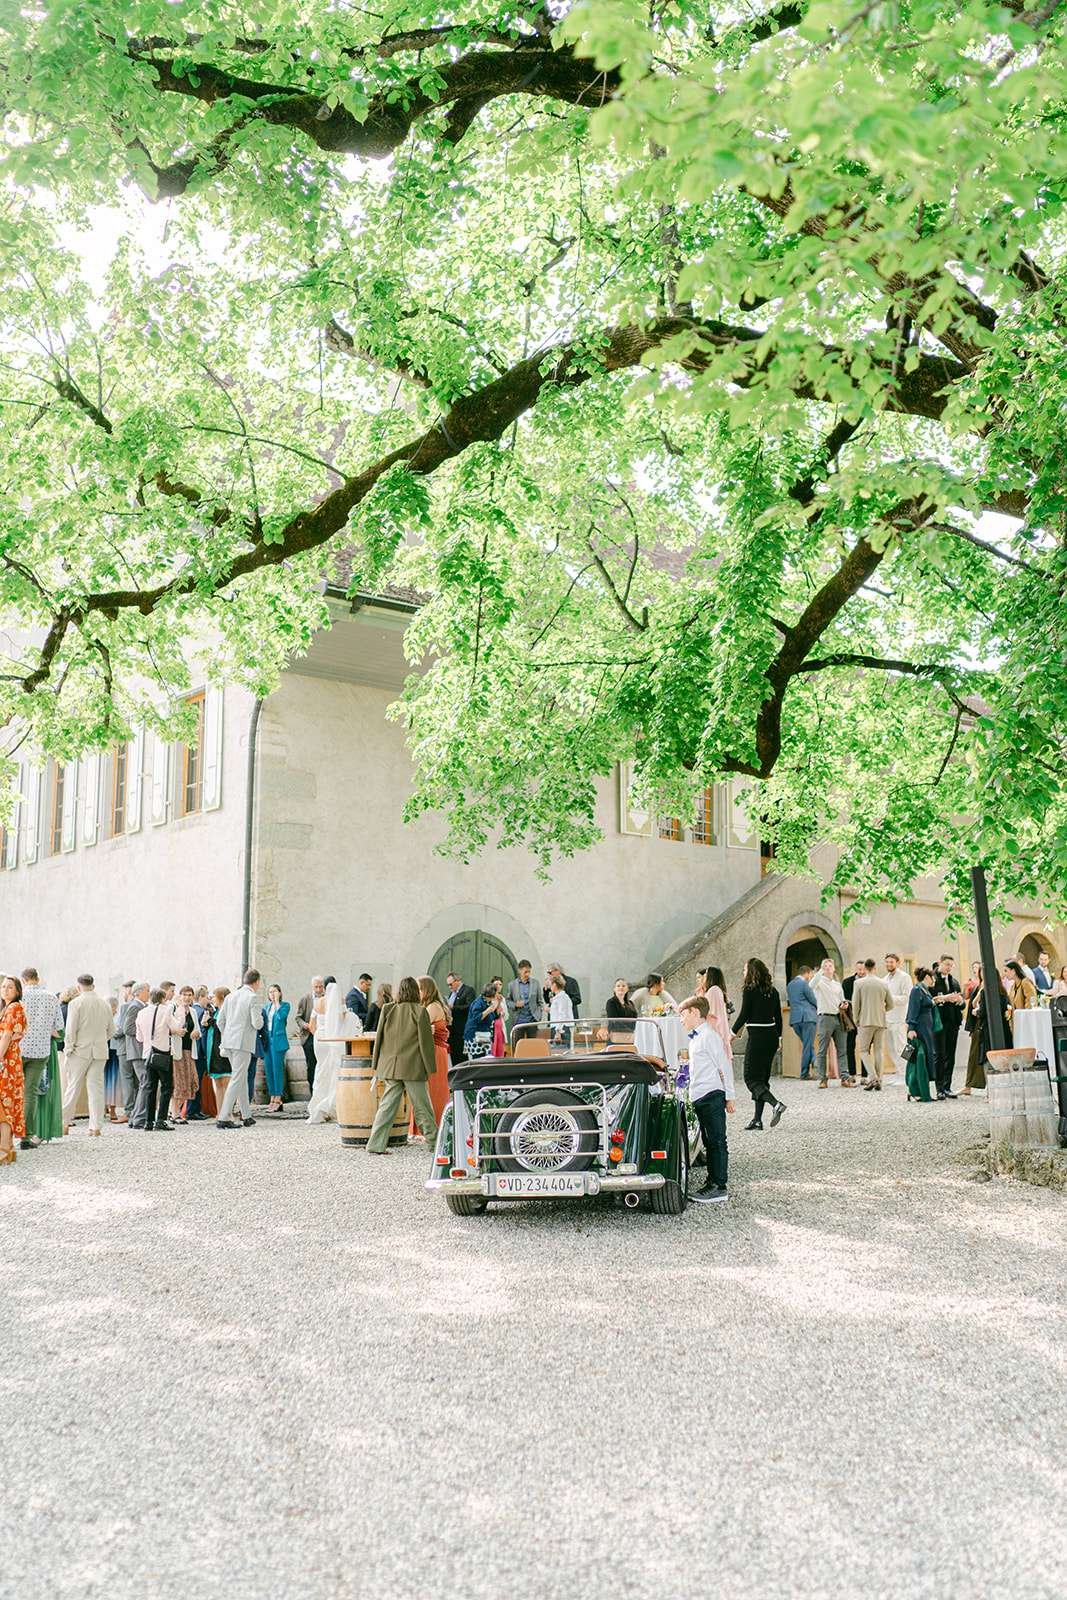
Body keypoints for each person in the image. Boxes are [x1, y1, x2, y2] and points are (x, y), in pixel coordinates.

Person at [365, 977, 438, 1153]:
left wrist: (376, 1063)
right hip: (413, 1068)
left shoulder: (388, 1009)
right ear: (415, 991)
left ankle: (375, 1144)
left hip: (390, 1066)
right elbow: (425, 1044)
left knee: (386, 1107)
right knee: (422, 1107)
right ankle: (435, 1144)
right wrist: (430, 1068)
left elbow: (379, 1037)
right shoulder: (420, 1012)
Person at [679, 993, 735, 1204]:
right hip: (700, 1095)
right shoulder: (696, 1038)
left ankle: (718, 1185)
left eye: (683, 1015)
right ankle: (712, 1181)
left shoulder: (709, 1037)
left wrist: (730, 1097)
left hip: (712, 1095)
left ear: (695, 1012)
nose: (681, 1020)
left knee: (717, 1141)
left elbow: (724, 1067)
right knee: (709, 1141)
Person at [732, 957, 785, 1129]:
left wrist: (731, 1033)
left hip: (758, 1037)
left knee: (750, 1078)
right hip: (771, 1037)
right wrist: (779, 1038)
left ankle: (776, 1104)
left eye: (745, 969)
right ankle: (757, 1120)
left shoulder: (750, 990)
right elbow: (778, 1017)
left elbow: (744, 1014)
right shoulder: (773, 991)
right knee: (762, 1079)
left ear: (752, 972)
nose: (743, 972)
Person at [61, 974, 116, 1138]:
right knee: (96, 1090)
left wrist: (68, 1049)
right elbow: (112, 1030)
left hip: (79, 1050)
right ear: (93, 985)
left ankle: (63, 1124)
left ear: (78, 987)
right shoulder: (105, 1004)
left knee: (72, 1088)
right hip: (99, 1051)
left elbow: (70, 1030)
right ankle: (95, 1127)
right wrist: (100, 1041)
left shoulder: (75, 1003)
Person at [18, 967, 64, 1148]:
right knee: (30, 1094)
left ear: (23, 980)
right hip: (40, 1052)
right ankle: (26, 1137)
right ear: (38, 978)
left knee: (11, 1092)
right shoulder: (52, 997)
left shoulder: (19, 997)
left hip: (18, 1049)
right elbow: (59, 1029)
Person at [215, 969, 264, 1129]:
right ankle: (224, 1117)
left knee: (240, 1077)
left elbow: (219, 1021)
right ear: (256, 982)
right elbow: (258, 1024)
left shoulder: (230, 996)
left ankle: (246, 1115)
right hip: (242, 1043)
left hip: (228, 1042)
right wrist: (262, 1018)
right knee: (237, 1078)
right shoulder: (253, 997)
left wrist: (226, 1035)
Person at [135, 988, 184, 1131]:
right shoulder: (165, 1010)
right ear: (163, 999)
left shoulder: (141, 1012)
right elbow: (176, 1026)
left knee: (150, 1088)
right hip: (162, 1053)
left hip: (147, 1054)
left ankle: (148, 1121)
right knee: (167, 1087)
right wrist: (180, 1012)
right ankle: (161, 1120)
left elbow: (139, 1037)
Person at [306, 981, 345, 1124]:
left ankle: (317, 1105)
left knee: (321, 1069)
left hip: (320, 1038)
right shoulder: (339, 1002)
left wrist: (319, 1034)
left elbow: (311, 1026)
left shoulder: (318, 1002)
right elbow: (344, 1022)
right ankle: (331, 1105)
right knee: (333, 1071)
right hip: (332, 1039)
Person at [851, 960, 891, 1090]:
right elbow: (891, 1004)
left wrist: (856, 1019)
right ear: (875, 967)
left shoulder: (859, 983)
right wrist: (882, 1010)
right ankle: (879, 1079)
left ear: (865, 968)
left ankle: (873, 1077)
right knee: (879, 1050)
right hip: (880, 1021)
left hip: (865, 1021)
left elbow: (855, 1004)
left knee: (863, 1050)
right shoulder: (883, 983)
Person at [0, 975, 27, 1164]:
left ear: (18, 991)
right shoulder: (9, 1008)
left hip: (6, 1061)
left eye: (10, 987)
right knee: (5, 1101)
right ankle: (7, 1148)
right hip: (10, 1060)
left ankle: (4, 1149)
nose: (5, 990)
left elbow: (7, 1036)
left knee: (4, 1103)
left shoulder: (14, 1007)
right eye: (3, 986)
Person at [813, 957, 852, 1088]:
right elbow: (811, 985)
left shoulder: (837, 984)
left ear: (834, 968)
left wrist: (845, 1004)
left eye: (830, 966)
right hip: (825, 1018)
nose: (828, 968)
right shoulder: (819, 982)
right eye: (825, 966)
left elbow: (842, 999)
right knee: (822, 1050)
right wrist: (819, 972)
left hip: (838, 1017)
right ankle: (822, 1079)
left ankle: (845, 1078)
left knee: (842, 1049)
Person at [419, 975, 452, 1122]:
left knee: (433, 1090)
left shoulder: (432, 1007)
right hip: (438, 1051)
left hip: (434, 1052)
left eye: (419, 989)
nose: (417, 992)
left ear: (426, 990)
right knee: (436, 1088)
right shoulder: (436, 1005)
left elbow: (419, 1027)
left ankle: (434, 1122)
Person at [931, 955, 964, 1098]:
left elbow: (962, 1004)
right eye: (946, 964)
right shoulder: (932, 981)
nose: (949, 967)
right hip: (939, 1023)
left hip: (953, 1022)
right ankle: (939, 1088)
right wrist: (945, 998)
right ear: (939, 963)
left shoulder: (954, 982)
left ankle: (947, 1086)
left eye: (951, 965)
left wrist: (960, 1001)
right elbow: (929, 1001)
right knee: (940, 1055)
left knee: (950, 1055)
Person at [905, 966, 938, 1102]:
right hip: (918, 1031)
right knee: (916, 1061)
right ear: (927, 977)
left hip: (926, 1030)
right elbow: (912, 1009)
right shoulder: (916, 990)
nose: (933, 980)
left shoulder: (925, 991)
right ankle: (914, 1090)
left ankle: (919, 1090)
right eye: (932, 977)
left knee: (921, 1061)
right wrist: (911, 1028)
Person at [170, 986, 202, 1124]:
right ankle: (174, 1114)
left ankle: (175, 1112)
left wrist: (196, 1033)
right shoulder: (174, 1009)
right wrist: (177, 1031)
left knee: (191, 1082)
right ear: (180, 996)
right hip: (178, 1051)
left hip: (190, 1050)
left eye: (189, 995)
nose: (187, 997)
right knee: (179, 1082)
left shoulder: (194, 1011)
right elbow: (169, 1028)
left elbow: (197, 1030)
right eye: (184, 995)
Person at [122, 981, 151, 1128]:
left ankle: (136, 1117)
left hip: (139, 1050)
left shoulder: (141, 1006)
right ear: (139, 992)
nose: (149, 993)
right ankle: (138, 1118)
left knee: (143, 1083)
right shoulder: (135, 1006)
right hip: (137, 1050)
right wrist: (145, 1034)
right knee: (145, 1082)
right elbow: (128, 1028)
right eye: (147, 991)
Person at [785, 964, 818, 1080]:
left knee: (807, 1045)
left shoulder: (790, 985)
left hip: (795, 1020)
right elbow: (813, 999)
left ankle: (814, 1061)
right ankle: (806, 1071)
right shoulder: (804, 984)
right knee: (807, 1045)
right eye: (810, 975)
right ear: (807, 973)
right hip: (807, 1018)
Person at [883, 954, 913, 1076]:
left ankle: (909, 1073)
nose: (889, 964)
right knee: (891, 1049)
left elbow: (907, 998)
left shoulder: (905, 977)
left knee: (902, 1047)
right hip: (887, 1018)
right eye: (887, 962)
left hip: (900, 1018)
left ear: (898, 963)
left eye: (891, 962)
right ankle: (900, 1073)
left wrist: (889, 998)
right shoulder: (884, 979)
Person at [262, 984, 290, 1113]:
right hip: (268, 1040)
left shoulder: (285, 1006)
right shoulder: (266, 1007)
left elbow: (281, 1018)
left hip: (278, 1041)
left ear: (279, 992)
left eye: (274, 991)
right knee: (269, 1070)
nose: (272, 994)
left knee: (277, 1070)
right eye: (270, 992)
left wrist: (277, 1002)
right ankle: (272, 1097)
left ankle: (278, 1098)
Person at [296, 977, 325, 1089]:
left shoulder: (326, 999)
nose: (318, 990)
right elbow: (298, 1018)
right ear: (312, 987)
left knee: (322, 1065)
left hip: (323, 1037)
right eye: (316, 987)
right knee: (311, 1065)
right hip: (309, 1038)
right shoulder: (305, 999)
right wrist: (306, 1025)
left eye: (320, 987)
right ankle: (312, 1091)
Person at [464, 984, 504, 1059]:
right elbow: (476, 1018)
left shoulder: (489, 1002)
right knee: (478, 1059)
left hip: (484, 1034)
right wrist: (489, 1010)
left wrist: (498, 1003)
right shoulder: (478, 1002)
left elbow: (496, 1016)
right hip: (475, 1035)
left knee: (485, 1059)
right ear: (492, 994)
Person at [842, 959, 866, 1079]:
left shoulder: (869, 982)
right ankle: (852, 1074)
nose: (861, 971)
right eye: (859, 969)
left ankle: (865, 1076)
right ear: (856, 969)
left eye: (863, 969)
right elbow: (843, 999)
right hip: (850, 1019)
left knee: (865, 1047)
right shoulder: (846, 982)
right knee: (850, 1046)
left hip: (865, 1019)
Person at [506, 960, 543, 1037]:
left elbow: (540, 1002)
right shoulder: (512, 985)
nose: (527, 974)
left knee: (532, 1046)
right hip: (518, 1021)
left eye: (529, 972)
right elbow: (508, 1001)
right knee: (518, 1046)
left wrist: (538, 1016)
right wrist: (515, 1004)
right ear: (519, 970)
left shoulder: (536, 983)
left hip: (532, 1021)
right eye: (525, 972)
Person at [446, 973, 475, 1064]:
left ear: (457, 981)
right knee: (454, 1057)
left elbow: (470, 1007)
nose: (449, 987)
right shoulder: (452, 993)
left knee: (462, 1058)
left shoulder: (468, 990)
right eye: (448, 985)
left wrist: (453, 1007)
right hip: (452, 1030)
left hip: (461, 1030)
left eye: (451, 984)